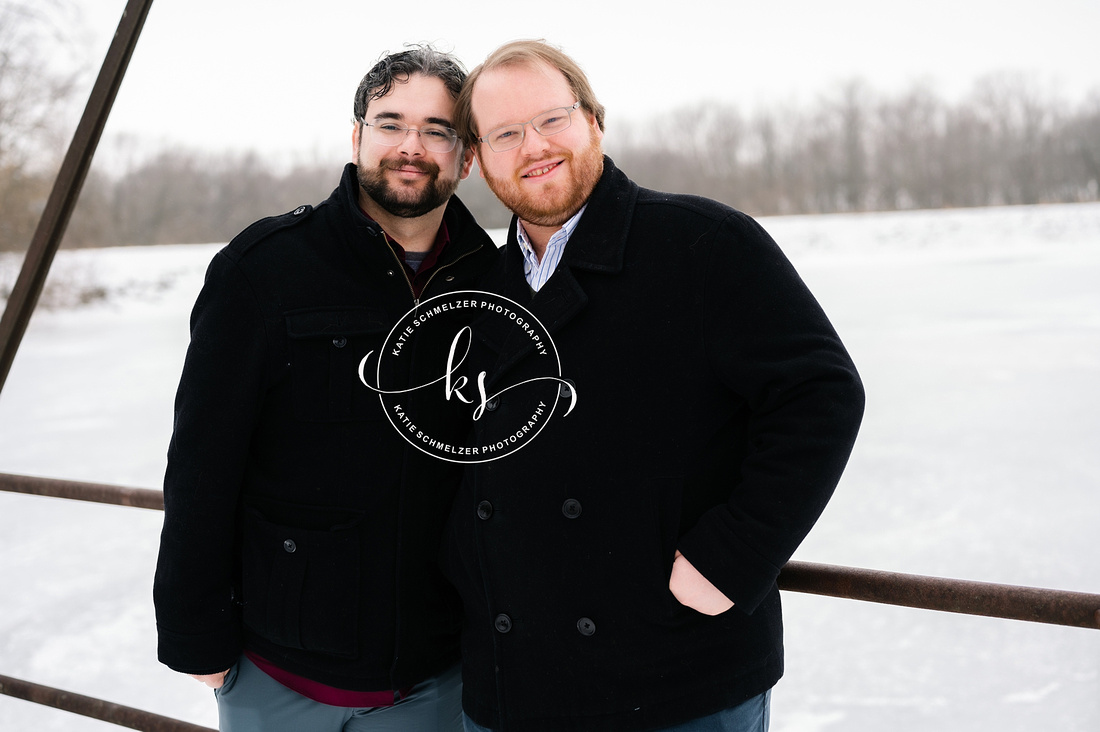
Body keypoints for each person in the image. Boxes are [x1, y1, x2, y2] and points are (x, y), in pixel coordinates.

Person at [441, 40, 866, 731]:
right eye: (505, 133)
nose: (534, 145)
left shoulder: (703, 244)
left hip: (679, 682)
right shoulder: (478, 290)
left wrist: (732, 558)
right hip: (510, 687)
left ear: (594, 121)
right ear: (478, 158)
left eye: (552, 119)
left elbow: (821, 395)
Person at [153, 45, 497, 732]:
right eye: (391, 123)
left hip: (437, 677)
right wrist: (193, 630)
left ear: (466, 156)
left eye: (438, 129)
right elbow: (202, 460)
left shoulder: (496, 283)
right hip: (278, 673)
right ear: (357, 136)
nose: (411, 146)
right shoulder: (266, 268)